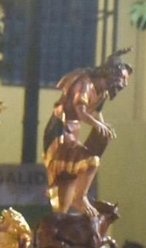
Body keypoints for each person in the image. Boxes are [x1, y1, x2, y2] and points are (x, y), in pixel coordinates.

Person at [42, 58, 131, 217]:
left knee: (64, 197)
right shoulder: (84, 84)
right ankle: (80, 197)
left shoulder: (102, 92)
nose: (124, 84)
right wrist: (98, 125)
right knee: (91, 161)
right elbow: (80, 111)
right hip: (60, 134)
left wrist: (103, 128)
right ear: (111, 74)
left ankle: (71, 203)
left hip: (72, 134)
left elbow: (96, 112)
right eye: (122, 79)